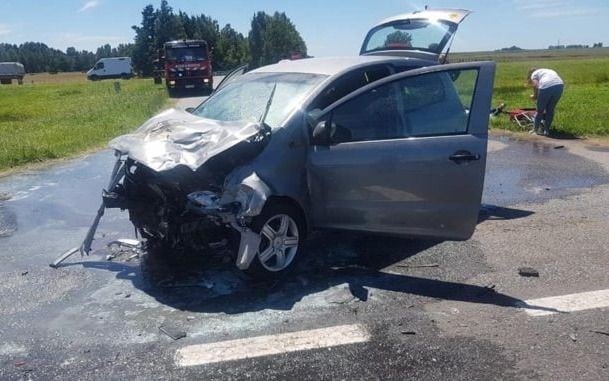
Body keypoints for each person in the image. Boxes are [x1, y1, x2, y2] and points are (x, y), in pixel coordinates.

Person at [528, 68, 564, 136]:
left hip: (546, 86)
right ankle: (546, 131)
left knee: (540, 110)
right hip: (560, 85)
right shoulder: (549, 70)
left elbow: (536, 85)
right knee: (550, 110)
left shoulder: (534, 74)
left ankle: (535, 130)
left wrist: (535, 96)